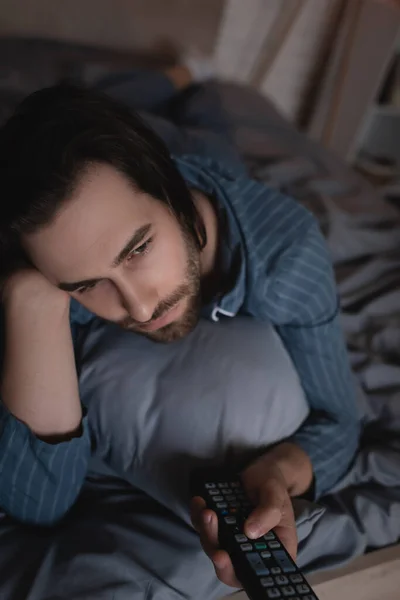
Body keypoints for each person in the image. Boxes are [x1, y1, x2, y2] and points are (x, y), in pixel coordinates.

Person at [0, 64, 359, 591]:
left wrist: (281, 473)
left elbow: (342, 420)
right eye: (85, 285)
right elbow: (38, 503)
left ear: (173, 192)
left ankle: (172, 78)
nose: (140, 308)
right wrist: (30, 302)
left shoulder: (287, 253)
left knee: (208, 133)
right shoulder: (45, 260)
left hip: (196, 160)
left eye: (139, 249)